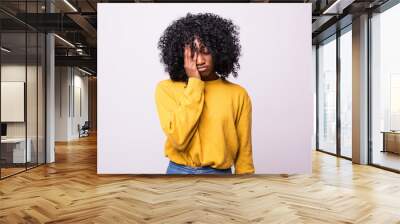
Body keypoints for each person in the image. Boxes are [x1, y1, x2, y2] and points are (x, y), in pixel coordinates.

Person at [155, 13, 254, 175]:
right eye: (192, 53)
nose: (199, 60)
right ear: (182, 55)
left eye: (205, 51)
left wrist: (246, 183)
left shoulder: (238, 94)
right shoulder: (166, 89)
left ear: (218, 51)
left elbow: (244, 150)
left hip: (220, 175)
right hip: (178, 172)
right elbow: (179, 139)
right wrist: (195, 82)